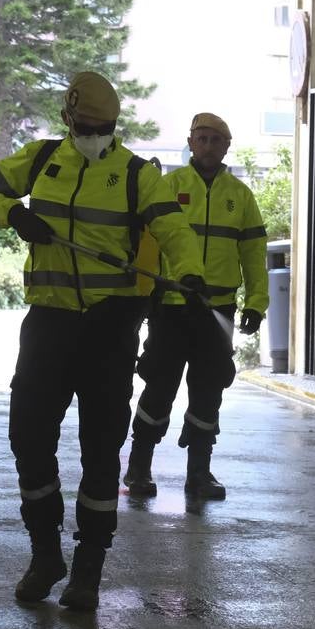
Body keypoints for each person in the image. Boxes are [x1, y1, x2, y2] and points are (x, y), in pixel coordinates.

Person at [0, 71, 204, 611]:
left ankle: (89, 566)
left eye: (102, 127)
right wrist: (14, 215)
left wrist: (187, 273)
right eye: (85, 125)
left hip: (110, 326)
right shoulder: (42, 158)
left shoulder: (137, 174)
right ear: (68, 120)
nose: (92, 134)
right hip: (48, 324)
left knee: (100, 449)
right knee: (28, 438)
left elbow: (173, 231)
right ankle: (45, 552)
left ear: (114, 126)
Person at [125, 112, 269, 501]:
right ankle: (138, 469)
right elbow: (147, 246)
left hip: (217, 311)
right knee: (158, 388)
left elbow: (254, 255)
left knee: (209, 392)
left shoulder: (240, 197)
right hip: (170, 308)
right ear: (190, 142)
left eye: (215, 139)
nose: (207, 145)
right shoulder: (167, 187)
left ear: (226, 146)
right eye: (201, 138)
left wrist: (256, 304)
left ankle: (199, 474)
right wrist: (144, 297)